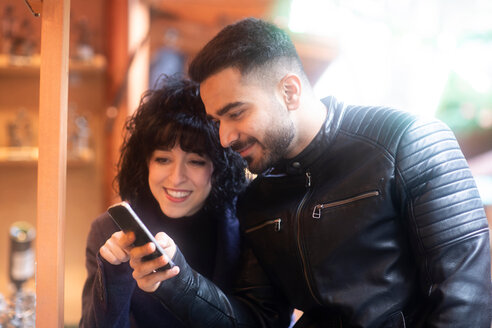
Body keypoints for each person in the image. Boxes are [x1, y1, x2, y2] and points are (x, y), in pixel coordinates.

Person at [128, 18, 492, 327]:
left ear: (289, 91)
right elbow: (258, 320)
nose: (223, 137)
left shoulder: (408, 142)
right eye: (216, 120)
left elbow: (467, 299)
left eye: (235, 113)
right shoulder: (257, 200)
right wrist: (176, 278)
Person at [79, 76, 246, 327]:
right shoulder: (108, 231)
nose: (176, 178)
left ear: (219, 167)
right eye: (163, 159)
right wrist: (114, 276)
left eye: (196, 161)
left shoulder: (244, 227)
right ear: (145, 162)